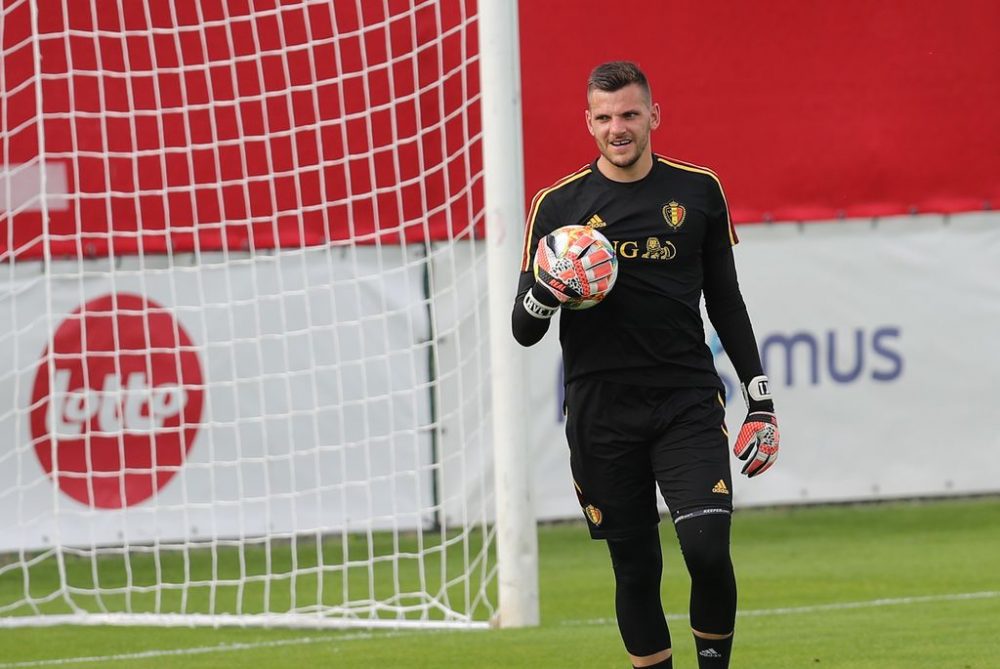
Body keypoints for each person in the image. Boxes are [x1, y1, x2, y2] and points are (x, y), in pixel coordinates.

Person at [511, 61, 780, 669]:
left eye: (630, 114)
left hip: (684, 400)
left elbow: (727, 303)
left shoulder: (699, 191)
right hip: (601, 412)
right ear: (588, 123)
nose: (618, 128)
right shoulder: (558, 208)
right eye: (604, 118)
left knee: (707, 549)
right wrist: (550, 288)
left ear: (654, 115)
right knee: (636, 569)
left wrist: (760, 401)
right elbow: (523, 331)